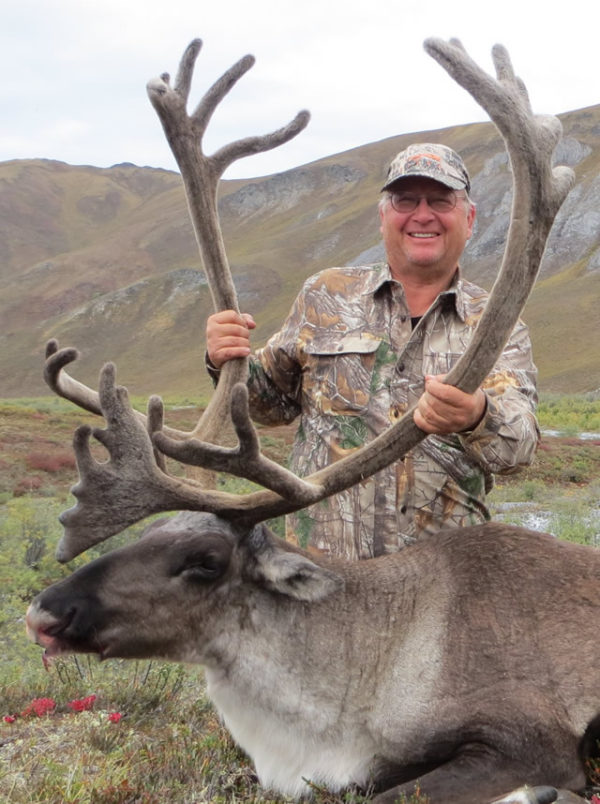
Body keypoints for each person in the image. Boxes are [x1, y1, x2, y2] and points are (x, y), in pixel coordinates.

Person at [205, 143, 539, 560]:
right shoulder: (324, 295)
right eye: (405, 200)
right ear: (383, 218)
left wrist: (477, 415)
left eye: (440, 200)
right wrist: (226, 359)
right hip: (323, 572)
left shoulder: (498, 322)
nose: (422, 215)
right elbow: (268, 405)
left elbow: (518, 449)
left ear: (469, 219)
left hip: (442, 583)